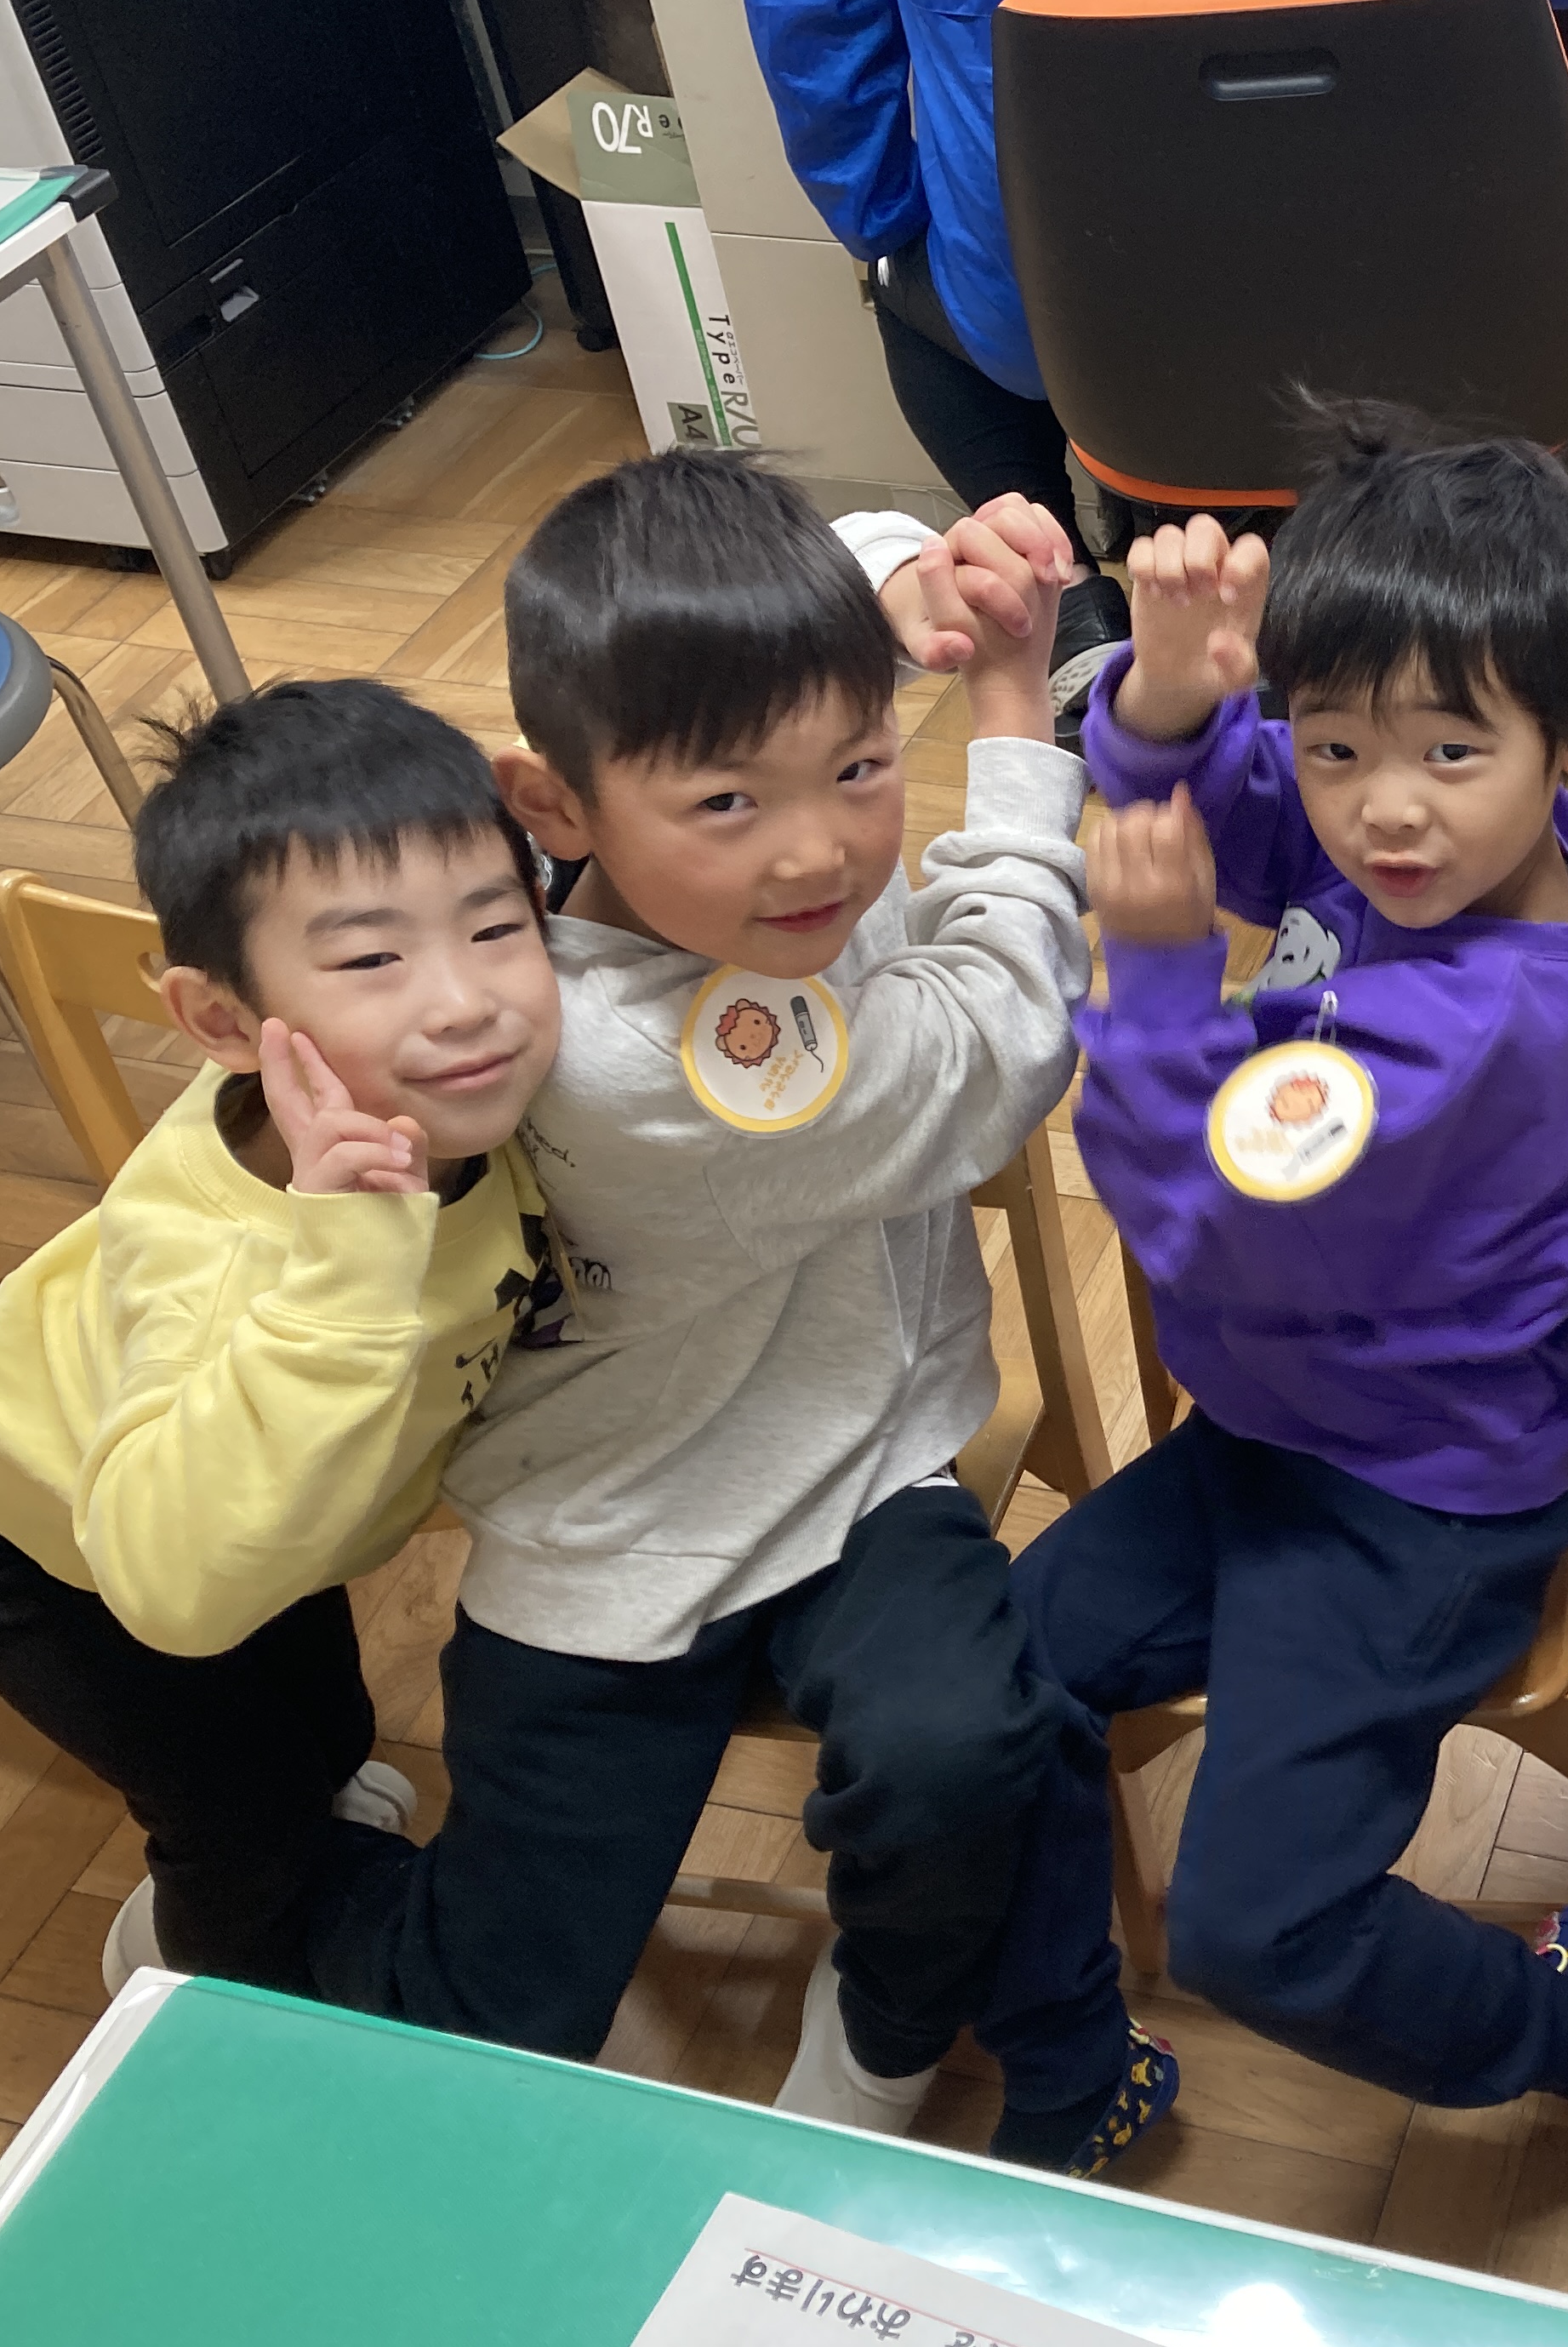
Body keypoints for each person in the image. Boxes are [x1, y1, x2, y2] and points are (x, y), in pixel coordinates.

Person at [296, 449, 1172, 2179]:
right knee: (500, 2015)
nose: (818, 849)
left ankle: (885, 2028)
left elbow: (818, 568)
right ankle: (264, 1901)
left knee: (959, 1753)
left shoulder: (728, 848)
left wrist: (915, 575)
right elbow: (997, 1037)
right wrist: (1011, 709)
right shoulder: (612, 1055)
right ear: (553, 809)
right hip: (611, 1523)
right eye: (726, 802)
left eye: (857, 765)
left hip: (865, 1460)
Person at [1002, 416, 1568, 2143]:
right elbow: (1241, 805)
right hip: (1270, 1432)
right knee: (996, 1685)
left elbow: (1193, 1217)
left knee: (1263, 1927)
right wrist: (1171, 694)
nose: (1385, 809)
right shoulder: (1461, 845)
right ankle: (1067, 2041)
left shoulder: (1486, 1027)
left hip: (1416, 1507)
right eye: (1336, 745)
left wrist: (1161, 971)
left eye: (1451, 749)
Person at [0, 682, 562, 2002]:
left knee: (323, 1718)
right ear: (228, 1025)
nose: (469, 1002)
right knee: (239, 1805)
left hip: (126, 1401)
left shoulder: (436, 1087)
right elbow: (177, 1597)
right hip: (11, 1507)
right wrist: (348, 1284)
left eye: (496, 927)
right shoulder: (224, 1258)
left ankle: (316, 1803)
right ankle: (193, 1976)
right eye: (371, 960)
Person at [730, 0, 1568, 726]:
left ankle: (1056, 588)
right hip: (1345, 290)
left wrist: (892, 220)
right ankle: (1310, 587)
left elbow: (815, 33)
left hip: (1049, 295)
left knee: (906, 267)